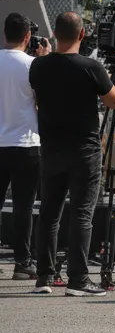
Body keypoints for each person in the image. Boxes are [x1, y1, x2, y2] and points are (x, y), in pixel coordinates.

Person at [28, 12, 115, 296]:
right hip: (84, 151)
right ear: (82, 35)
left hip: (51, 148)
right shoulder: (91, 67)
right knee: (81, 214)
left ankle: (44, 277)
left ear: (55, 34)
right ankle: (78, 280)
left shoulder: (37, 66)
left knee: (49, 213)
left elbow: (37, 98)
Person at [0, 14, 49, 280]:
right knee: (23, 207)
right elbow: (43, 102)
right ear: (28, 37)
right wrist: (44, 60)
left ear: (4, 34)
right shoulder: (33, 65)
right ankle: (22, 262)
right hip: (26, 144)